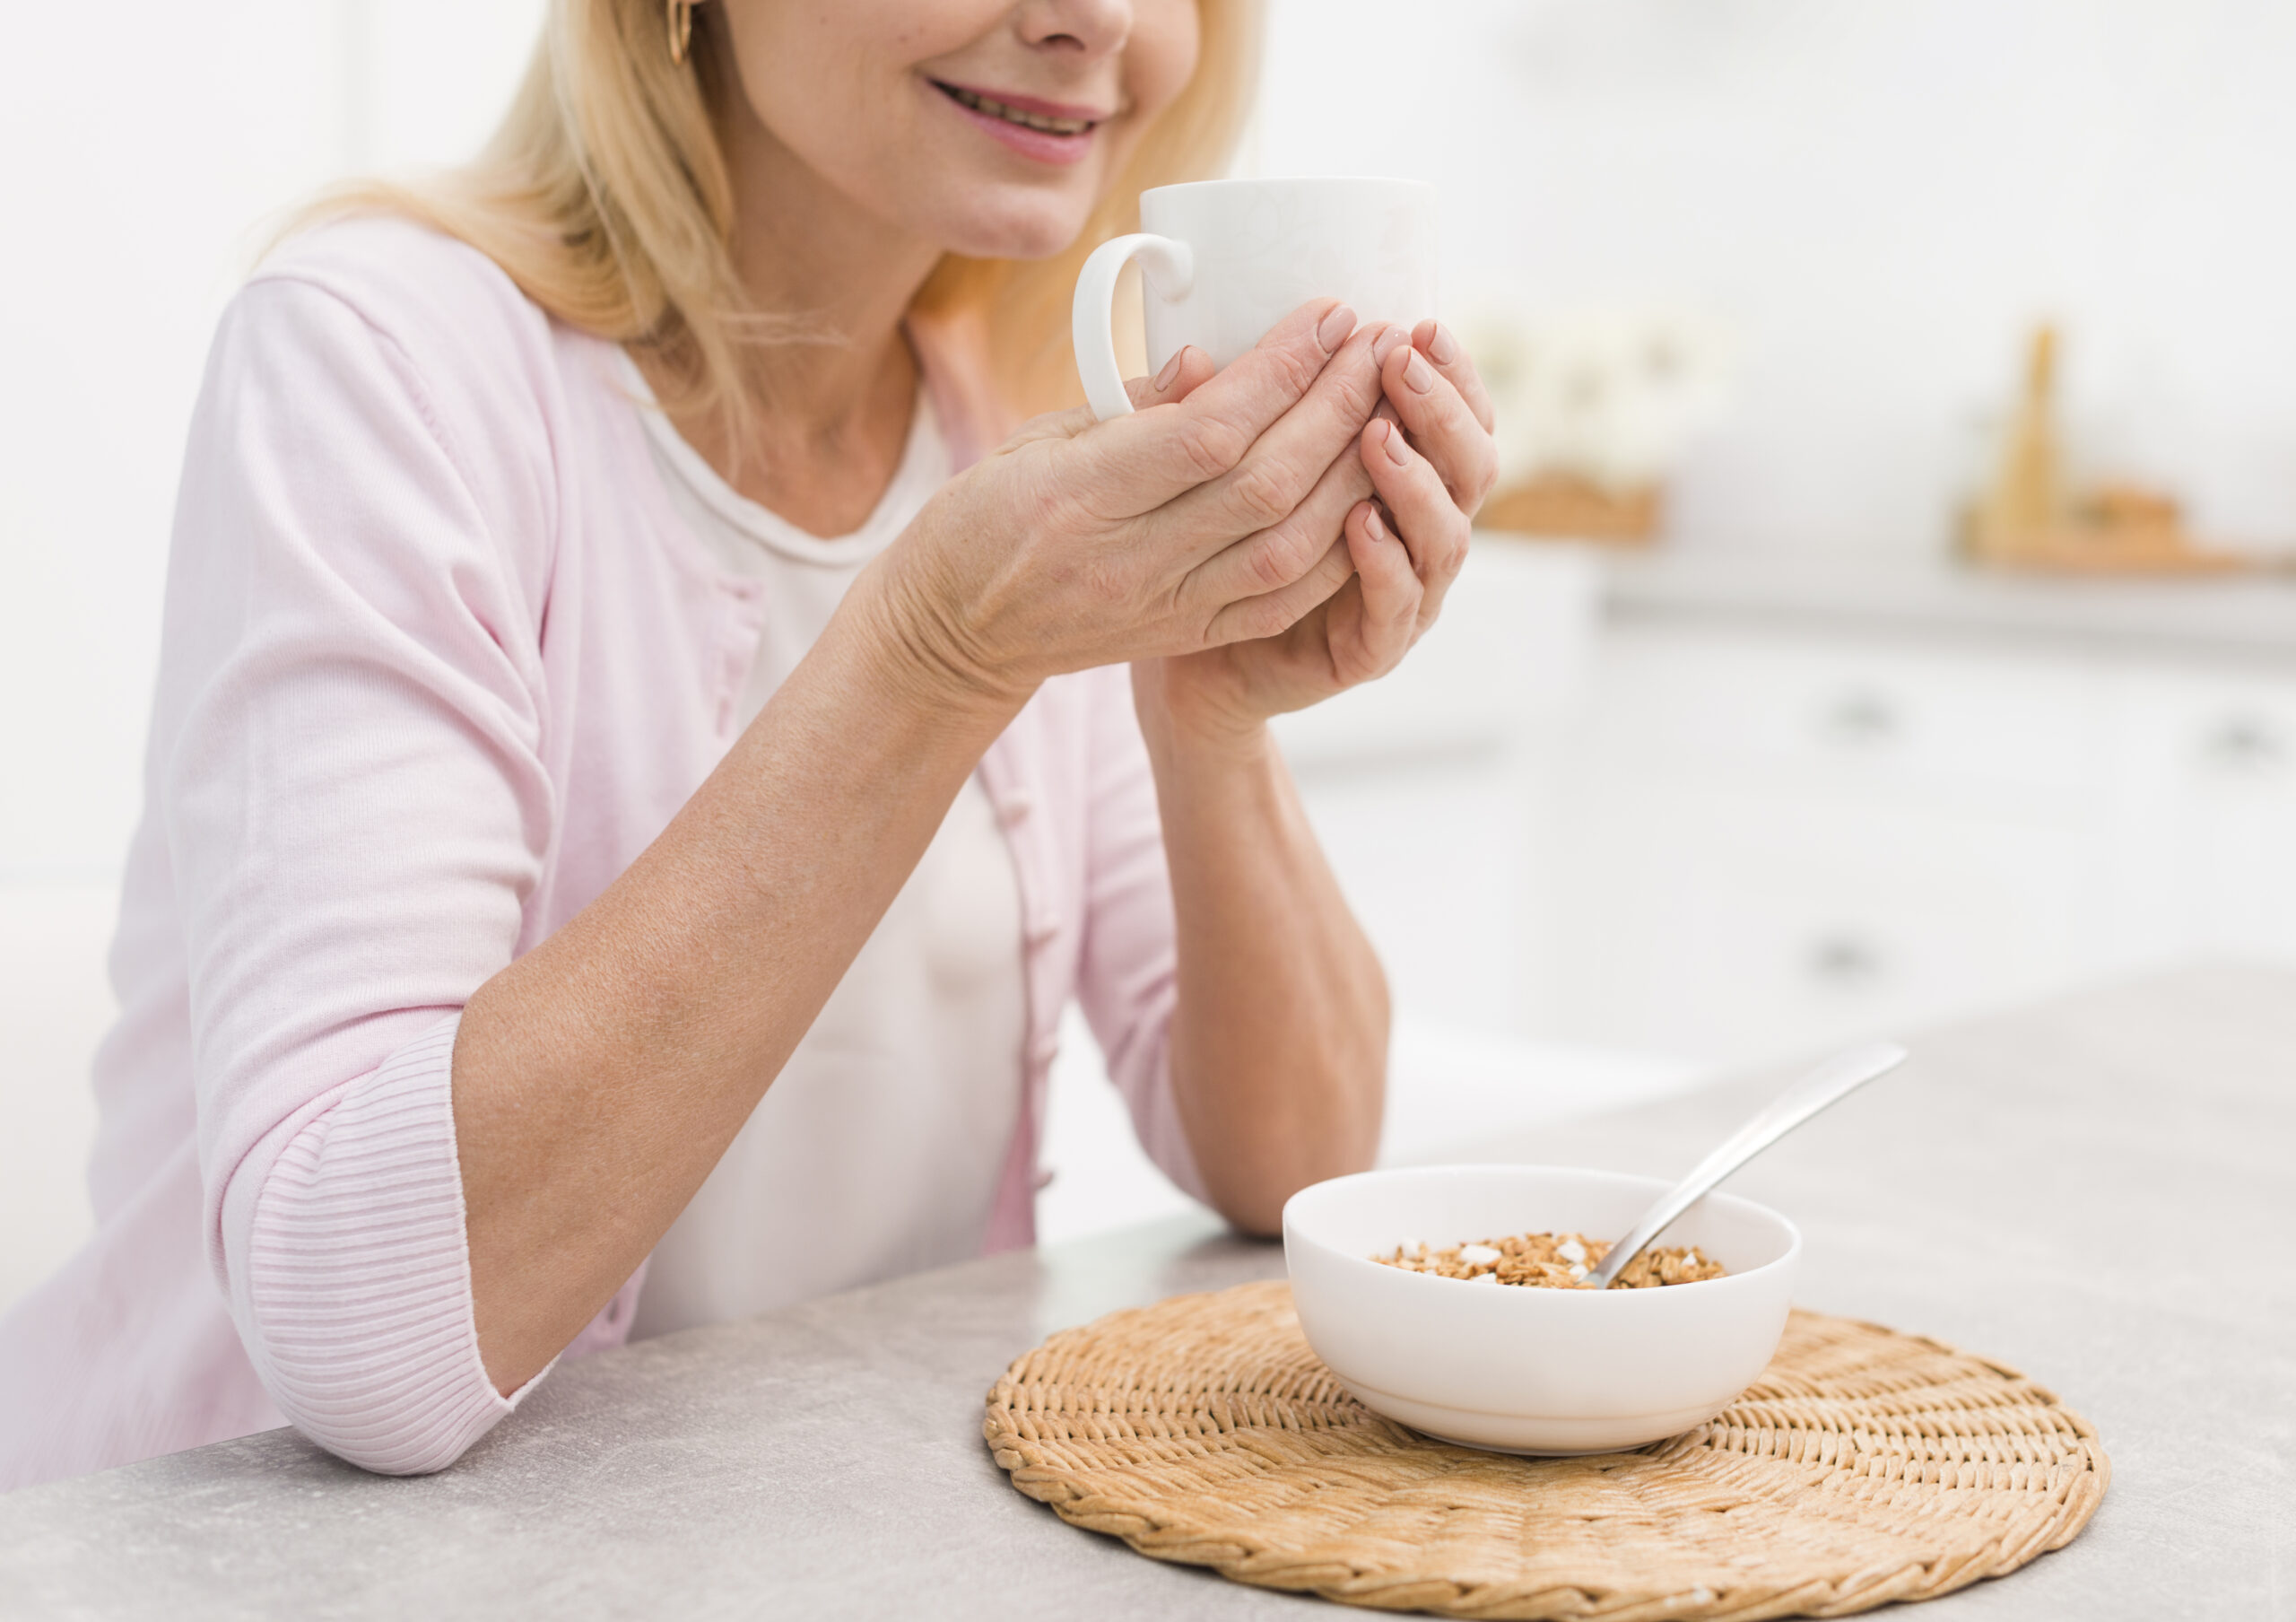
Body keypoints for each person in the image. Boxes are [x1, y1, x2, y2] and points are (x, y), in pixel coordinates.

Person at [0, 0, 1496, 1490]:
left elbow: (1288, 1166)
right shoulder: (376, 362)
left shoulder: (1010, 423)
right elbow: (359, 1326)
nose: (1092, 19)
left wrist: (1210, 713)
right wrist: (934, 656)